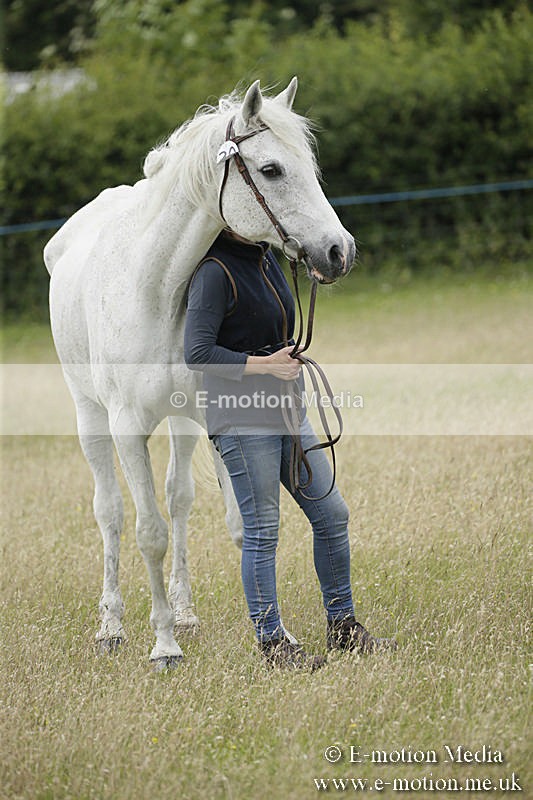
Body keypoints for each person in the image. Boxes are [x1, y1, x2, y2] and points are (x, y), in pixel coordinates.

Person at [184, 229, 396, 669]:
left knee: (332, 514)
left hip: (287, 411)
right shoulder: (213, 271)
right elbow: (197, 353)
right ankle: (272, 645)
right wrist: (265, 365)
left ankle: (342, 627)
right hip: (242, 421)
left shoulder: (265, 258)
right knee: (262, 532)